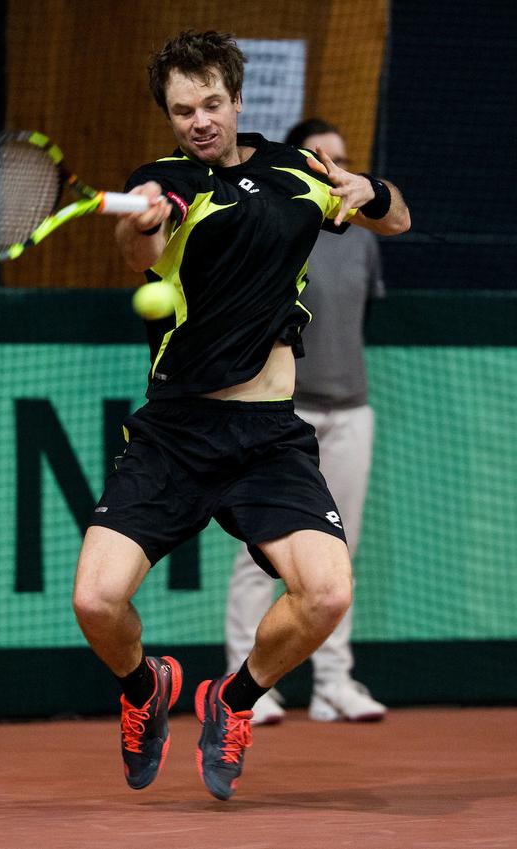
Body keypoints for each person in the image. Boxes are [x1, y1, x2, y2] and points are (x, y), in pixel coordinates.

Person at [72, 30, 410, 802]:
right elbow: (138, 251)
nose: (198, 119)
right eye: (183, 109)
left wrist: (368, 191)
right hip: (176, 434)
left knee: (326, 593)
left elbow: (396, 222)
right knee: (96, 599)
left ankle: (232, 699)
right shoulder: (161, 182)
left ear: (236, 98)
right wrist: (144, 222)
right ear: (169, 114)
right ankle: (144, 687)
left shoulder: (297, 172)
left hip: (266, 439)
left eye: (211, 103)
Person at [226, 118, 387, 727]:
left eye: (345, 158)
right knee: (259, 552)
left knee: (339, 557)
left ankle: (333, 684)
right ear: (298, 162)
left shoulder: (365, 239)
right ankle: (250, 683)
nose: (336, 167)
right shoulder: (278, 227)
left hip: (352, 411)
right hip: (282, 414)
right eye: (323, 157)